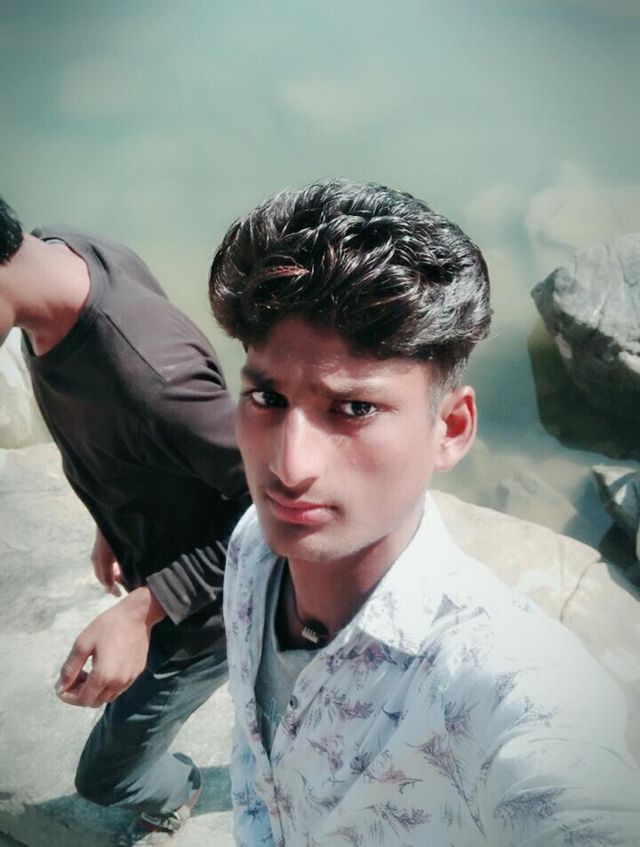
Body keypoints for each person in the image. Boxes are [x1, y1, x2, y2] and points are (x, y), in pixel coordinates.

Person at [208, 179, 640, 846]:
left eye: (354, 409)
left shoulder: (508, 679)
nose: (290, 468)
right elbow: (255, 760)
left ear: (452, 429)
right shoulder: (253, 548)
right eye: (267, 399)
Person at [0, 197, 249, 846]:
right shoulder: (57, 253)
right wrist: (110, 519)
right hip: (157, 560)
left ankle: (180, 787)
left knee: (106, 778)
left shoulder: (155, 377)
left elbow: (271, 505)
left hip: (205, 615)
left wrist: (143, 610)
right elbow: (129, 437)